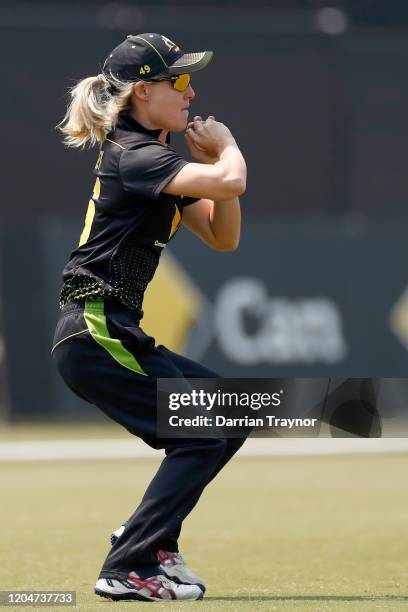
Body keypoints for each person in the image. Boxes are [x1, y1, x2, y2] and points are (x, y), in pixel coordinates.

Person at [52, 33, 247, 602]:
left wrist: (211, 161)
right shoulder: (135, 155)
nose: (190, 93)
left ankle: (150, 543)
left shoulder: (156, 159)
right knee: (201, 431)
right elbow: (232, 180)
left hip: (113, 329)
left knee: (227, 412)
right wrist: (228, 147)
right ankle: (130, 563)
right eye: (178, 81)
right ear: (143, 91)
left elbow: (222, 236)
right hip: (94, 328)